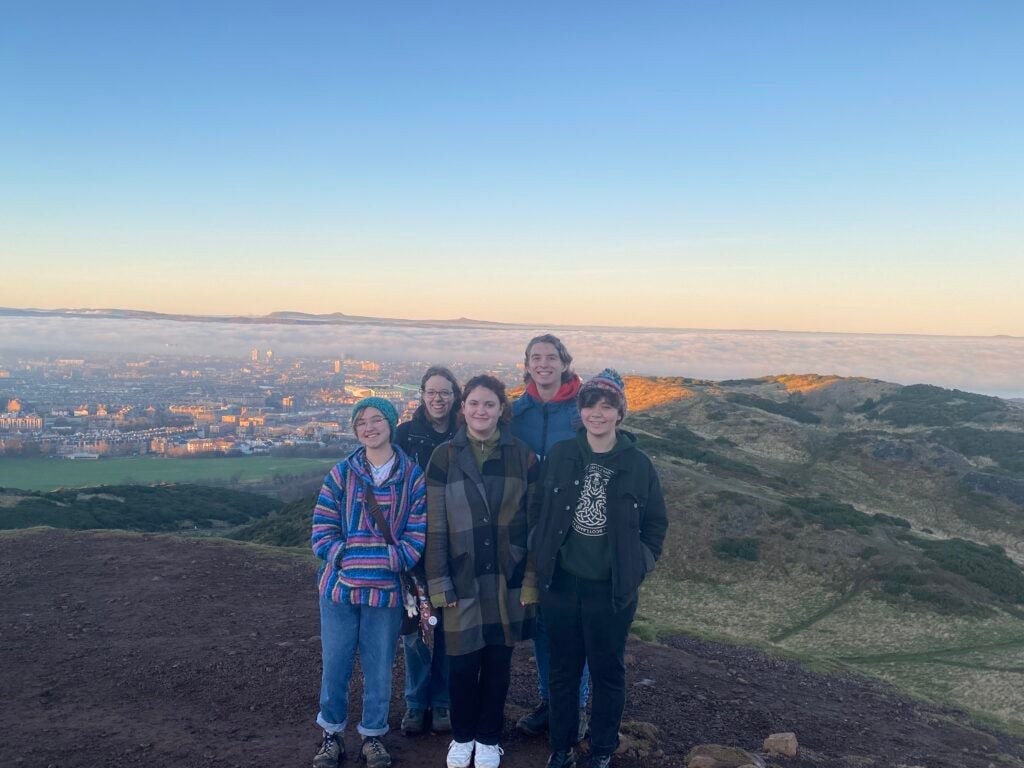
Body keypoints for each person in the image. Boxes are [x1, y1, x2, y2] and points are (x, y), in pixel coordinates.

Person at [530, 370, 668, 768]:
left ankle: (603, 749)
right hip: (561, 583)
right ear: (581, 409)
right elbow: (537, 506)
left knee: (608, 673)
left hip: (611, 590)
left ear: (620, 413)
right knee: (563, 671)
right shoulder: (562, 454)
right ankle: (562, 747)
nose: (598, 413)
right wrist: (540, 549)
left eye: (607, 406)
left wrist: (639, 564)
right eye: (591, 404)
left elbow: (656, 524)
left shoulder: (639, 465)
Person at [425, 375, 540, 768]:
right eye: (474, 403)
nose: (481, 411)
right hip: (462, 574)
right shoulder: (444, 456)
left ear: (501, 409)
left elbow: (534, 522)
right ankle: (463, 735)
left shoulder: (521, 455)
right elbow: (435, 525)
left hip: (507, 575)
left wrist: (529, 578)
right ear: (463, 409)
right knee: (460, 663)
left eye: (489, 404)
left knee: (498, 661)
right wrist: (438, 582)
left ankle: (489, 738)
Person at [311, 397, 427, 768]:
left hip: (386, 595)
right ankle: (331, 735)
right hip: (339, 592)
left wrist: (364, 559)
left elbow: (416, 539)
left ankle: (373, 737)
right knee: (336, 665)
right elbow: (321, 532)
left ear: (392, 424)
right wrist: (348, 558)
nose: (369, 427)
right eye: (361, 421)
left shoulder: (412, 477)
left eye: (377, 419)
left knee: (379, 668)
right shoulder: (341, 473)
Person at [510, 334, 591, 739]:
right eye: (535, 358)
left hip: (577, 530)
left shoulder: (583, 409)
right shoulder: (516, 412)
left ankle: (576, 706)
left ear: (564, 362)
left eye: (550, 357)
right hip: (530, 530)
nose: (543, 364)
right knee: (542, 618)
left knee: (573, 621)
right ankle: (550, 700)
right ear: (526, 365)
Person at [394, 366, 462, 736]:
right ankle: (416, 702)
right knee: (415, 629)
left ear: (455, 396)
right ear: (421, 394)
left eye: (445, 393)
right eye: (432, 392)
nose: (438, 399)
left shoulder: (465, 433)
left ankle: (442, 703)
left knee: (450, 628)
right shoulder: (405, 435)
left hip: (454, 544)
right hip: (414, 545)